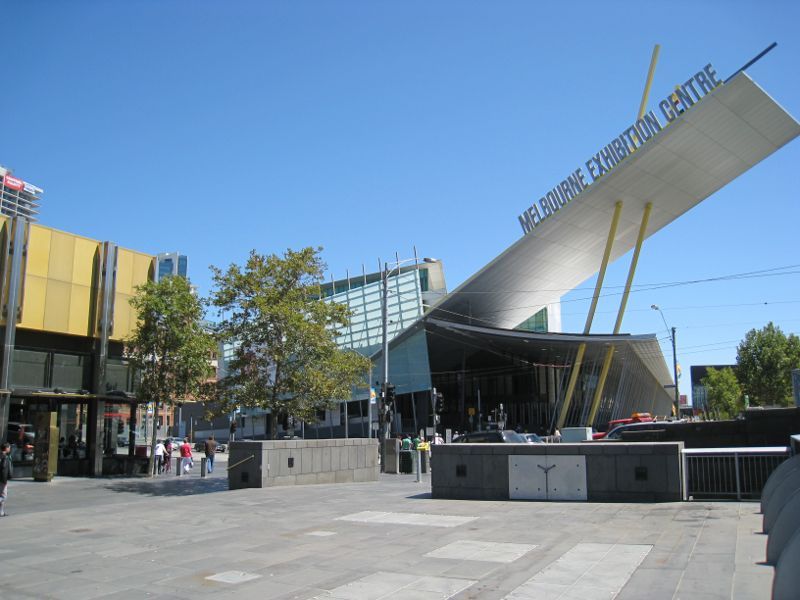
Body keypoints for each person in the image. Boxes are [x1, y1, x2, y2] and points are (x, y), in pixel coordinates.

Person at [0, 442, 13, 517]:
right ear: (6, 448)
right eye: (9, 447)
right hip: (2, 479)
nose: (10, 449)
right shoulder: (5, 457)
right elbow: (4, 469)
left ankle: (1, 512)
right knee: (4, 496)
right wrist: (5, 480)